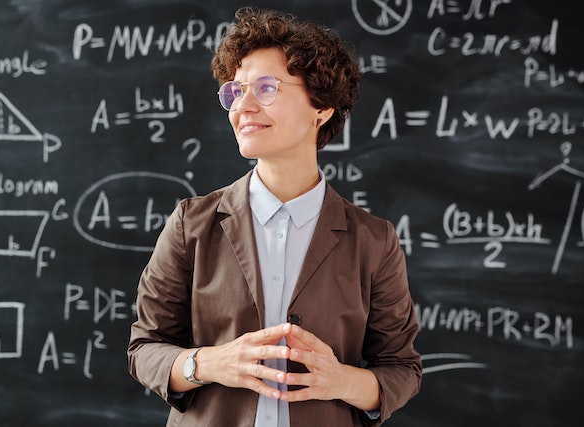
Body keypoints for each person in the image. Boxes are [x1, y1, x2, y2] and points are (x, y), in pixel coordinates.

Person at [128, 7, 421, 426]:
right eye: (235, 90)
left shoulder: (374, 240)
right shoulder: (192, 223)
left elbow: (402, 369)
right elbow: (144, 348)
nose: (242, 106)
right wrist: (211, 364)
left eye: (266, 88)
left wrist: (340, 381)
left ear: (322, 108)